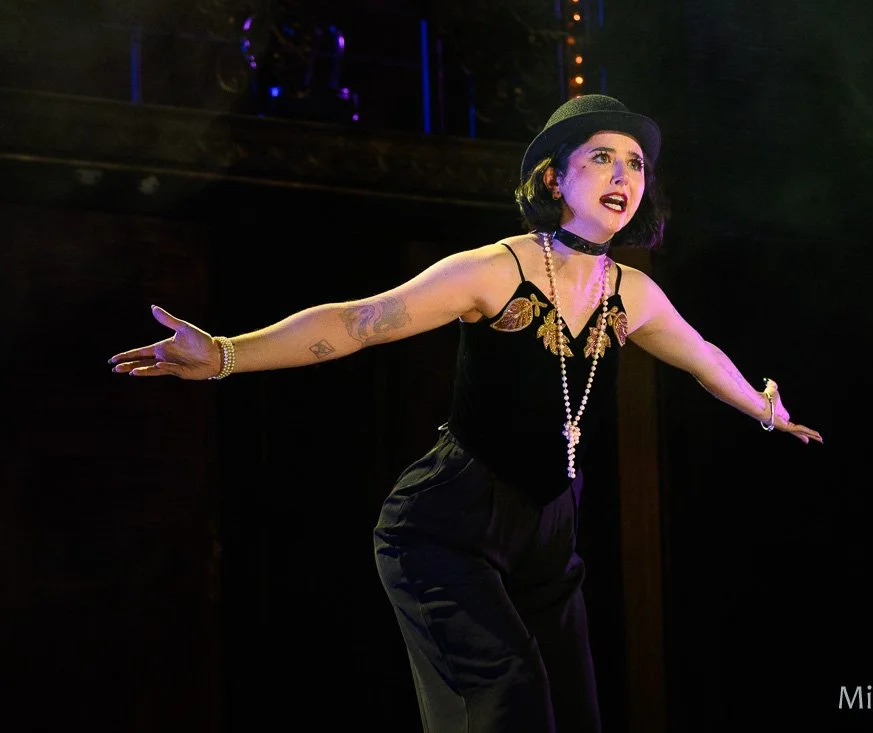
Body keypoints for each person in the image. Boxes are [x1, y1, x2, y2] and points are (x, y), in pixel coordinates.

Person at [108, 93, 823, 732]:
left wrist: (765, 409)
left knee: (574, 712)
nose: (623, 175)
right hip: (447, 524)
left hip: (550, 532)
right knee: (510, 695)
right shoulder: (494, 269)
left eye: (635, 164)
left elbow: (703, 357)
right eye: (602, 157)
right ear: (554, 178)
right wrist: (225, 353)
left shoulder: (631, 293)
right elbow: (359, 322)